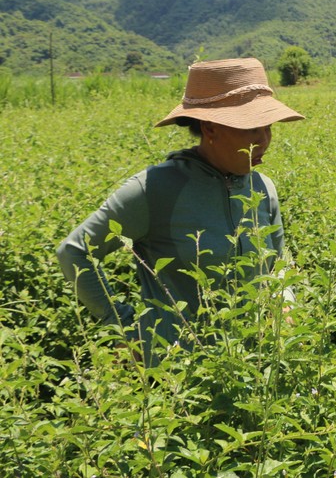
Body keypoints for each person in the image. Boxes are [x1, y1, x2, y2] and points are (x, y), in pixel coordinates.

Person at [57, 58, 304, 366]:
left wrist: (285, 304)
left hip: (258, 368)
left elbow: (278, 259)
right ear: (210, 127)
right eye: (252, 129)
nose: (264, 140)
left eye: (268, 127)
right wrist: (122, 324)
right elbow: (75, 251)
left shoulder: (263, 188)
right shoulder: (155, 189)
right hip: (180, 374)